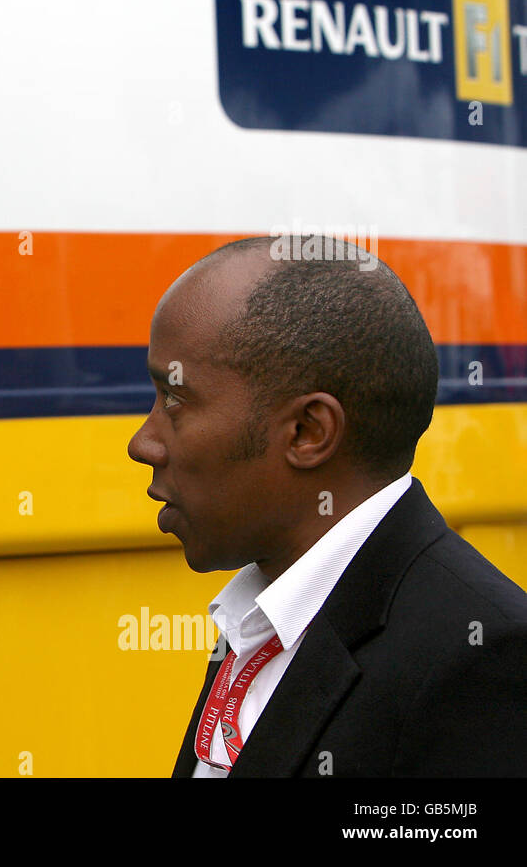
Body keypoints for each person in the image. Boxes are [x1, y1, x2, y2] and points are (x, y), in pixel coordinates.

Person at [127, 236, 527, 777]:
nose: (142, 443)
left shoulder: (483, 659)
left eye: (175, 400)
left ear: (308, 431)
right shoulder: (269, 611)